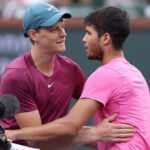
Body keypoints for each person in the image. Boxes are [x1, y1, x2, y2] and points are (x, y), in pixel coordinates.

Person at [1, 3, 136, 149]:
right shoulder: (17, 75)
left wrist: (120, 136)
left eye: (63, 27)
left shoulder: (71, 69)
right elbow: (37, 142)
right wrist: (96, 133)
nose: (63, 34)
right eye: (54, 29)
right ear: (34, 35)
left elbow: (97, 111)